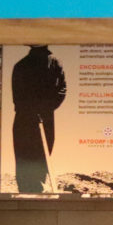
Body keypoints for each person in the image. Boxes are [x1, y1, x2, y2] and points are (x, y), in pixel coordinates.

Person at [10, 45, 66, 193]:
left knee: (38, 153)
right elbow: (61, 89)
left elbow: (61, 89)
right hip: (29, 117)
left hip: (34, 116)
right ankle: (30, 188)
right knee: (31, 153)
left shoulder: (51, 63)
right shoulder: (24, 65)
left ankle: (34, 187)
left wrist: (45, 108)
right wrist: (43, 109)